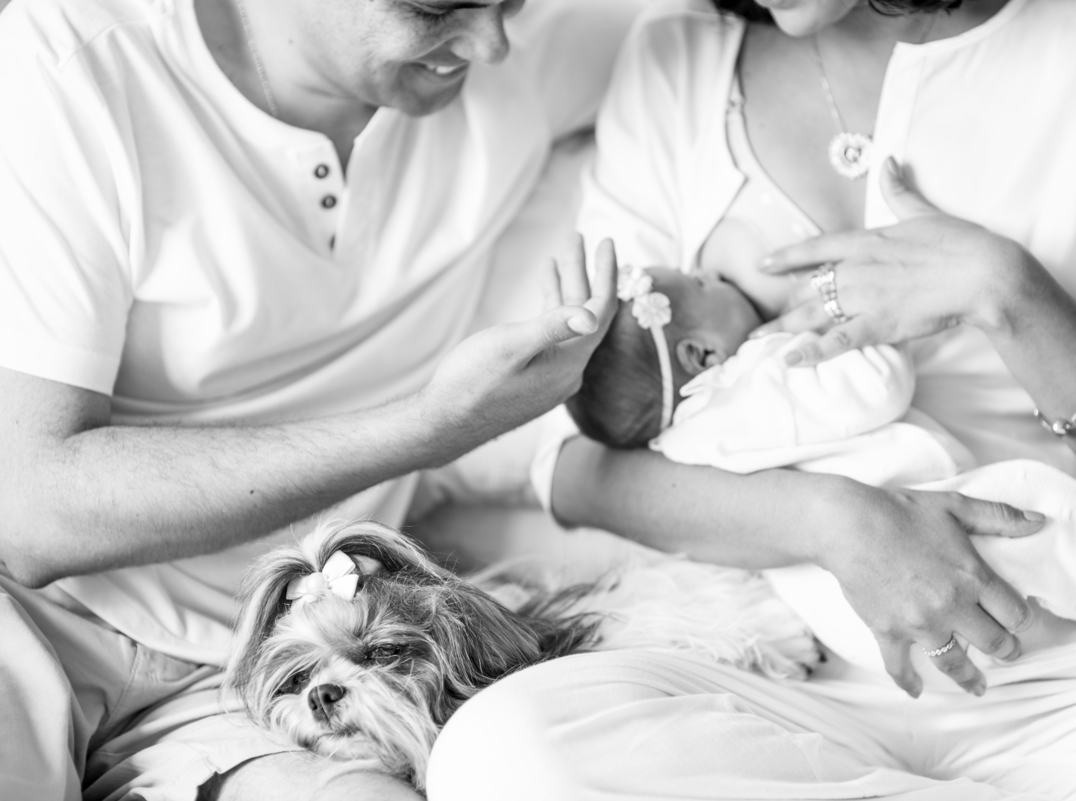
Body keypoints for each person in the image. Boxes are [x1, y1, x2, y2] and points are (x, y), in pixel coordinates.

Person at [426, 0, 1076, 797]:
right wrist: (841, 525)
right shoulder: (677, 62)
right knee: (501, 751)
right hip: (795, 680)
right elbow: (577, 467)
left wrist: (1006, 293)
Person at [0, 0, 650, 797]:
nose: (490, 43)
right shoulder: (77, 60)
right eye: (435, 9)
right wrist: (431, 427)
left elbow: (733, 50)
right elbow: (29, 512)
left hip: (273, 675)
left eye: (507, 2)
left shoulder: (526, 52)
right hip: (32, 620)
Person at [568, 263, 1076, 662]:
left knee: (1026, 582)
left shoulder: (678, 445)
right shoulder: (763, 373)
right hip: (923, 527)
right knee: (1038, 506)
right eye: (702, 285)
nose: (712, 273)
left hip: (846, 616)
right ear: (702, 355)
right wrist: (860, 327)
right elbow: (878, 388)